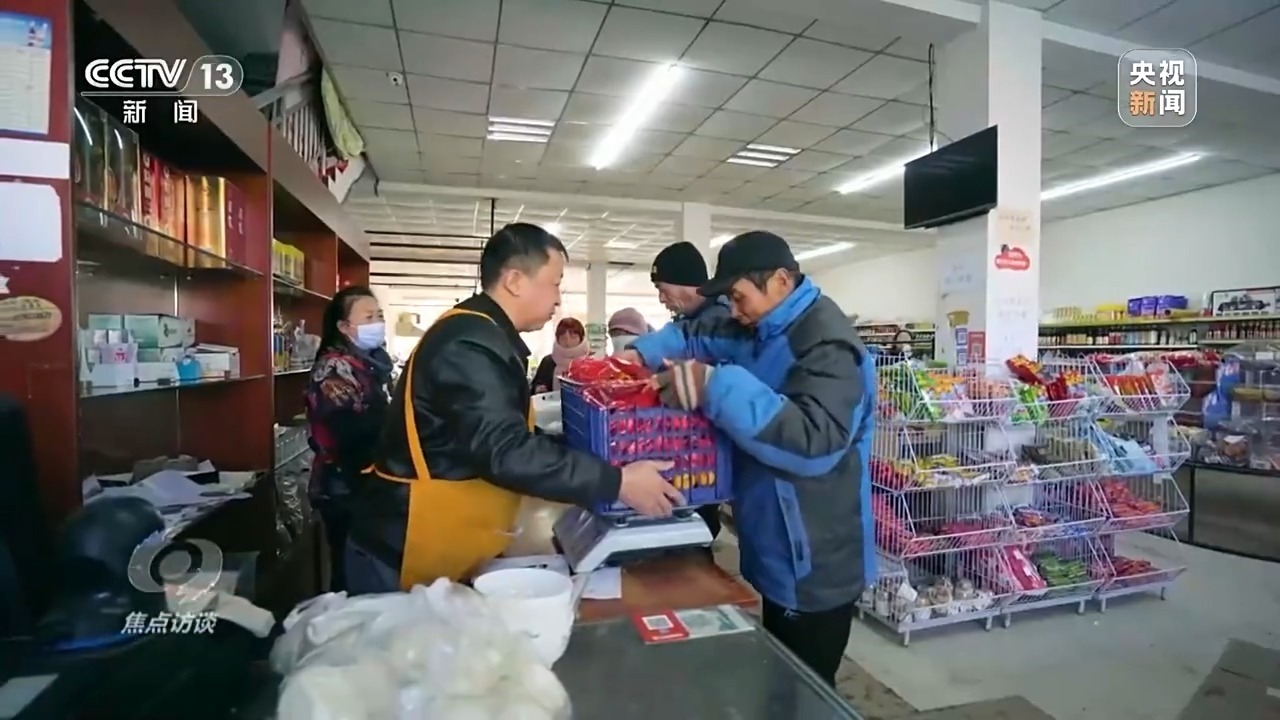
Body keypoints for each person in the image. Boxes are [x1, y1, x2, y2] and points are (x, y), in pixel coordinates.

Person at [346, 222, 684, 593]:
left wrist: (598, 459)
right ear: (515, 281)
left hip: (438, 537)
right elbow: (504, 449)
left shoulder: (482, 335)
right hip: (403, 545)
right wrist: (616, 482)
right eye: (554, 283)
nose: (558, 299)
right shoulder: (468, 345)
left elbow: (509, 434)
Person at [619, 231, 876, 686]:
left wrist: (715, 386)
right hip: (771, 542)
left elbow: (814, 443)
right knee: (776, 676)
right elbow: (695, 334)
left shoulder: (829, 347)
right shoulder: (755, 324)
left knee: (807, 688)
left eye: (739, 298)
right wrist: (638, 354)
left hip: (816, 560)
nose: (733, 311)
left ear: (780, 281)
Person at [304, 286, 392, 593]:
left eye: (379, 315)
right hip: (343, 485)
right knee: (351, 571)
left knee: (367, 567)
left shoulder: (369, 364)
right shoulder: (334, 367)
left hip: (366, 481)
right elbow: (349, 430)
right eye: (368, 317)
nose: (377, 323)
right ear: (344, 326)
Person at [642, 241, 732, 538]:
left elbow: (689, 344)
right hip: (692, 448)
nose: (661, 298)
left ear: (686, 284)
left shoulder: (717, 321)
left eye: (663, 288)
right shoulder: (691, 320)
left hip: (708, 448)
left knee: (699, 519)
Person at [531, 317, 588, 393]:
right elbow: (535, 386)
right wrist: (539, 389)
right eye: (563, 338)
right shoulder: (548, 362)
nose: (568, 342)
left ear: (581, 338)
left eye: (573, 337)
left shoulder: (589, 362)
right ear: (557, 339)